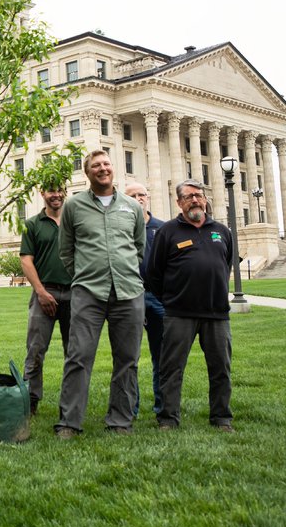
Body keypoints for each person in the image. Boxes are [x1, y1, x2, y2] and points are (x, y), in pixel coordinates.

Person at [54, 149, 146, 439]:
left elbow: (138, 247)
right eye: (96, 165)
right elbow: (66, 250)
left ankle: (120, 421)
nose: (102, 169)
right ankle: (69, 422)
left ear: (113, 169)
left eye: (106, 163)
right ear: (87, 172)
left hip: (128, 293)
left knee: (127, 359)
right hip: (88, 294)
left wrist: (124, 270)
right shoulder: (74, 206)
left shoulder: (131, 207)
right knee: (78, 356)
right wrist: (84, 274)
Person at [146, 179, 235, 432]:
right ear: (179, 202)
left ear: (205, 199)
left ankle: (221, 418)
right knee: (171, 368)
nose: (195, 200)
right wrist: (171, 298)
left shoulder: (222, 231)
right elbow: (154, 273)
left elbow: (225, 265)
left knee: (221, 369)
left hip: (217, 315)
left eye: (198, 195)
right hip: (179, 314)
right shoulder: (168, 232)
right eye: (188, 197)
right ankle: (168, 419)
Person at [18, 182, 71, 416]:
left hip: (75, 294)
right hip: (44, 292)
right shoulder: (32, 225)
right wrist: (40, 291)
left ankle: (70, 403)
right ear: (42, 194)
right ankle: (29, 401)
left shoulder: (74, 222)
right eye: (51, 191)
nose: (56, 195)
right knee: (36, 350)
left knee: (75, 351)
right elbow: (26, 260)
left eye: (60, 190)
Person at [124, 181, 165, 418]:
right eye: (133, 195)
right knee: (129, 356)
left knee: (162, 356)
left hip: (157, 298)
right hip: (130, 296)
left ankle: (163, 408)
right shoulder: (121, 228)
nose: (139, 198)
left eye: (142, 194)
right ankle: (131, 407)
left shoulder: (163, 228)